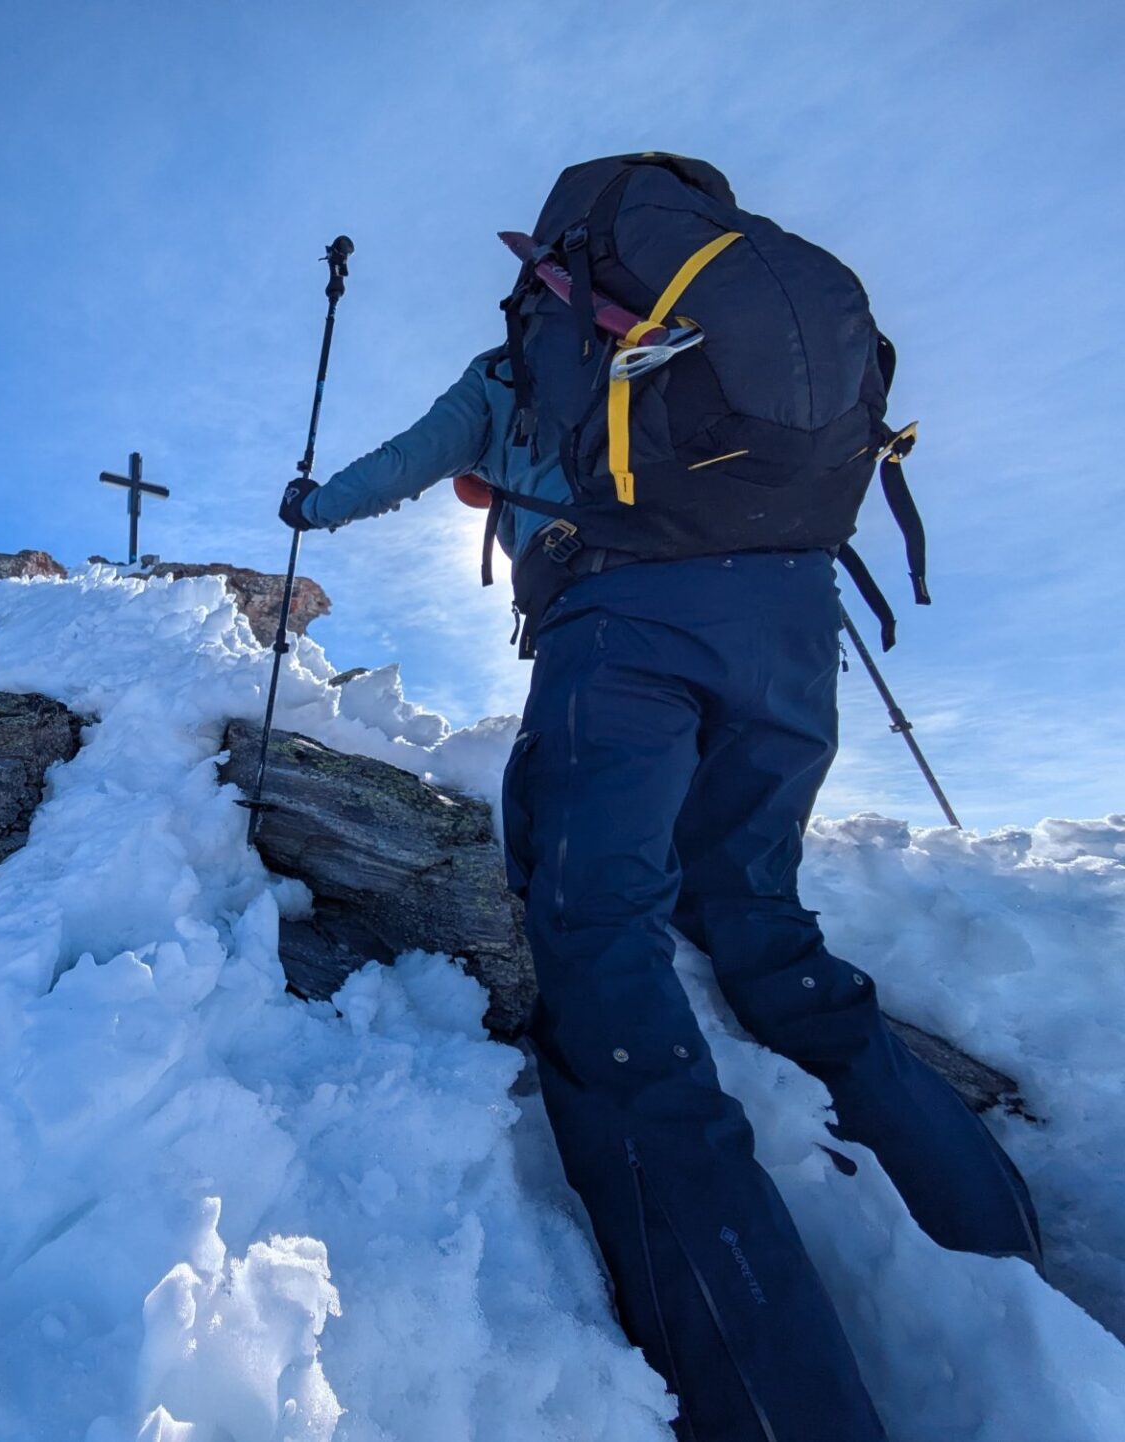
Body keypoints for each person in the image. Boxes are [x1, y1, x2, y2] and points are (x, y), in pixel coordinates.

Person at [279, 156, 1041, 1442]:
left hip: (625, 632)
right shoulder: (701, 345)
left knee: (605, 955)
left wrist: (313, 503)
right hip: (793, 616)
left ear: (546, 276)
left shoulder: (513, 371)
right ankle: (1009, 1260)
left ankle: (777, 1404)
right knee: (761, 916)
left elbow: (401, 462)